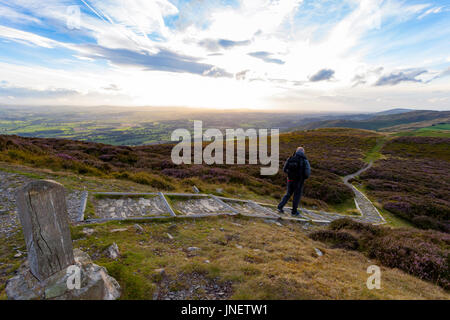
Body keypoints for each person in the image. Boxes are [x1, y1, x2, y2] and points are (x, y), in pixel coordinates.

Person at [277, 147, 311, 217]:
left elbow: (284, 169)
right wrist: (303, 178)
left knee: (288, 194)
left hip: (290, 180)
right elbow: (307, 173)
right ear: (303, 152)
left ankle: (280, 207)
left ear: (296, 151)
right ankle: (294, 212)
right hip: (298, 181)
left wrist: (290, 174)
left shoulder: (290, 158)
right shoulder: (304, 160)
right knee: (297, 196)